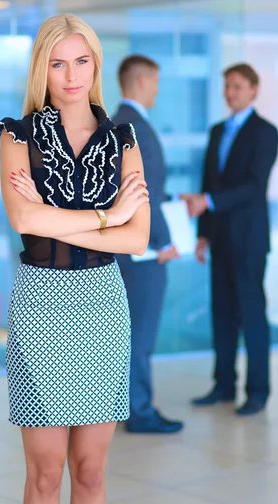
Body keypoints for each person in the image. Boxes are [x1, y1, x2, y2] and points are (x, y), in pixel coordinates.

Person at [0, 14, 150, 504]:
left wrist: (53, 216)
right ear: (43, 69)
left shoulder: (123, 137)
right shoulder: (15, 136)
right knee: (44, 476)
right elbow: (25, 221)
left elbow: (137, 240)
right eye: (58, 64)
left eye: (81, 61)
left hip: (103, 305)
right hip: (40, 306)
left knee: (90, 474)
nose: (71, 75)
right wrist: (109, 216)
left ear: (96, 65)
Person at [182, 63, 278, 416]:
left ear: (254, 89)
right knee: (221, 315)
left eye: (237, 86)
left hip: (249, 241)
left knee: (252, 316)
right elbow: (210, 182)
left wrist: (206, 202)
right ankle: (223, 386)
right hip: (220, 238)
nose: (230, 92)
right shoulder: (216, 131)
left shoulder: (266, 133)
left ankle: (257, 392)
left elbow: (254, 186)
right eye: (226, 86)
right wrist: (203, 233)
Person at [113, 55, 183, 434]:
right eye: (155, 81)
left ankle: (125, 407)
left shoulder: (113, 124)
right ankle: (139, 411)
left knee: (126, 334)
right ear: (142, 80)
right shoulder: (136, 127)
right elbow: (144, 195)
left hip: (121, 249)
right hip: (142, 253)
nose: (158, 89)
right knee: (140, 335)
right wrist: (163, 243)